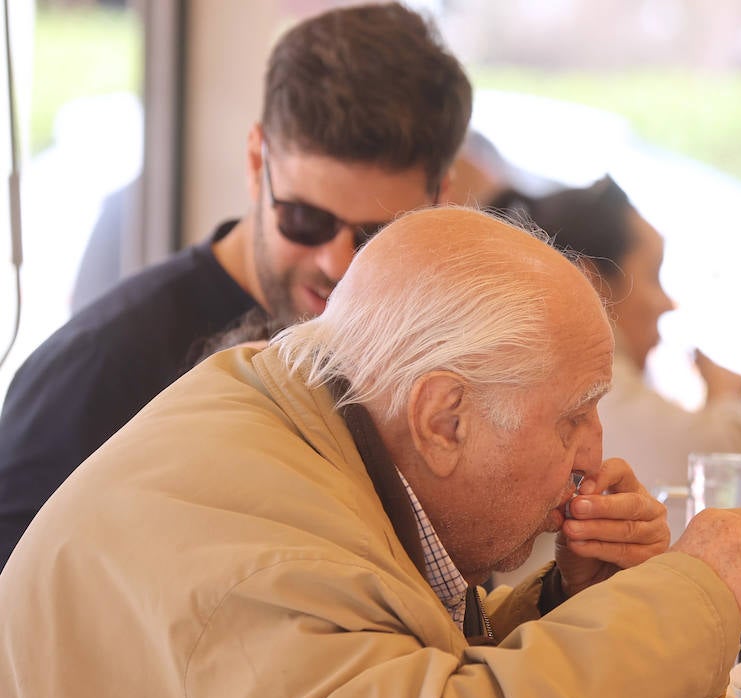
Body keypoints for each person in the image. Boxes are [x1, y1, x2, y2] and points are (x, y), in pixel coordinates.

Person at [0, 206, 741, 698]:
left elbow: (381, 681)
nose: (594, 454)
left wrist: (567, 597)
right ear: (443, 417)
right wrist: (692, 598)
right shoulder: (252, 556)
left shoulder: (310, 418)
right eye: (573, 417)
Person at [0, 3, 472, 566]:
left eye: (378, 234)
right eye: (305, 219)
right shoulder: (102, 367)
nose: (336, 263)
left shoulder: (428, 362)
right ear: (256, 163)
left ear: (440, 198)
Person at [492, 176, 741, 495]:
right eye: (653, 276)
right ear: (590, 283)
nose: (668, 304)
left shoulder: (537, 374)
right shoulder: (595, 390)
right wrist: (725, 396)